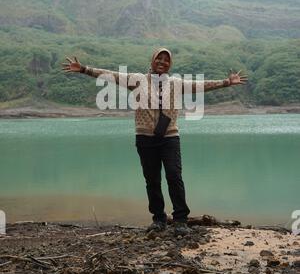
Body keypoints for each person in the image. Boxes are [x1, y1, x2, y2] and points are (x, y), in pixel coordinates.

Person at [62, 48, 247, 236]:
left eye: (166, 60)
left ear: (170, 65)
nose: (162, 62)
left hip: (169, 137)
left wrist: (226, 82)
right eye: (159, 58)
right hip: (145, 138)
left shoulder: (176, 83)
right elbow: (111, 75)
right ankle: (158, 219)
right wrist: (84, 69)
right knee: (152, 180)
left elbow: (200, 85)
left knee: (174, 176)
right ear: (152, 61)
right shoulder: (138, 80)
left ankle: (180, 220)